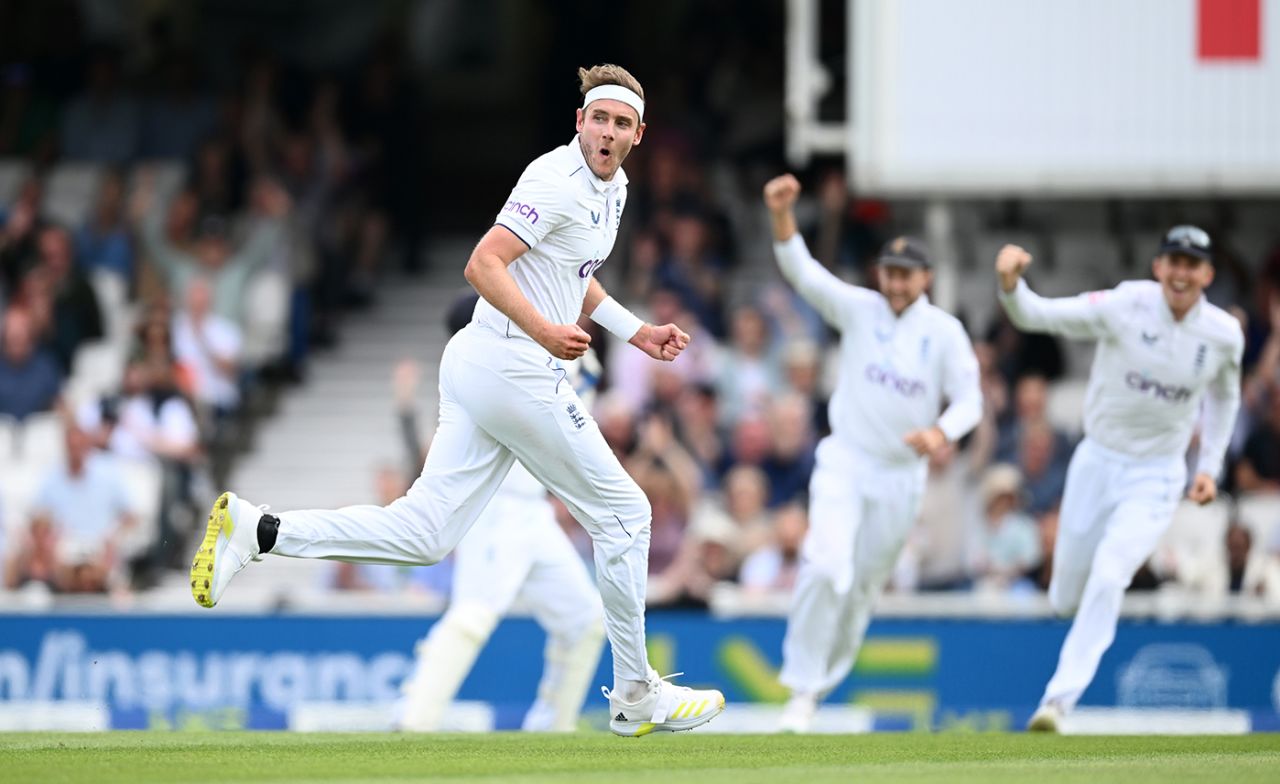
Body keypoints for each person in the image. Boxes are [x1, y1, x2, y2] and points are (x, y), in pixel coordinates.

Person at [190, 64, 724, 737]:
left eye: (622, 123)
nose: (608, 132)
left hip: (486, 366)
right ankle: (636, 693)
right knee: (626, 516)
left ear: (639, 135)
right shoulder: (552, 179)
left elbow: (573, 273)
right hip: (510, 363)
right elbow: (482, 264)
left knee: (423, 535)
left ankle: (260, 530)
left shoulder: (612, 190)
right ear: (579, 121)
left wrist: (636, 330)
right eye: (599, 118)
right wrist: (543, 329)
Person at [994, 225, 1243, 732]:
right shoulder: (1125, 305)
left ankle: (1056, 704)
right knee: (1064, 597)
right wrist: (1011, 286)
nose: (1181, 273)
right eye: (1173, 261)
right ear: (1158, 268)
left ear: (1207, 275)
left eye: (1192, 265)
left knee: (1110, 575)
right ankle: (1064, 629)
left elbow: (1224, 397)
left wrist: (1209, 468)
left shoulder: (1222, 335)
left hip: (1155, 475)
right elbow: (1039, 315)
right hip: (1097, 462)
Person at [763, 174, 983, 733]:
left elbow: (971, 399)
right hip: (845, 461)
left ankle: (820, 685)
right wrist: (782, 216)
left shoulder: (945, 332)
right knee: (825, 565)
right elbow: (803, 273)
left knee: (860, 590)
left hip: (900, 477)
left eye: (907, 274)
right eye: (889, 271)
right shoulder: (861, 309)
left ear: (926, 278)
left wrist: (941, 433)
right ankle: (801, 690)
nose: (896, 282)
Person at [397, 293, 605, 733]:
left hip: (534, 512)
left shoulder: (521, 350)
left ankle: (553, 727)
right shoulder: (484, 366)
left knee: (584, 619)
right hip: (494, 508)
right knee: (473, 615)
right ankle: (412, 720)